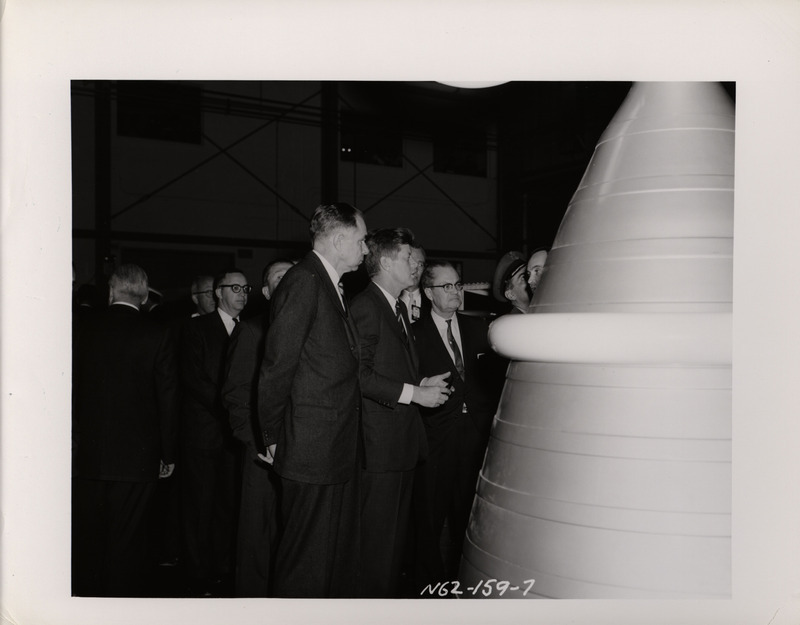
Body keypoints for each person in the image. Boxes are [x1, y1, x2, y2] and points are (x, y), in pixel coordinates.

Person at [257, 202, 367, 598]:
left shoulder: (328, 283)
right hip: (309, 449)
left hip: (330, 447)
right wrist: (272, 435)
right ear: (339, 240)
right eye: (361, 239)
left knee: (326, 561)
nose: (366, 249)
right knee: (304, 564)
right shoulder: (305, 282)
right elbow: (277, 366)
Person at [349, 228, 451, 597]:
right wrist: (414, 394)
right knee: (376, 549)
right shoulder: (365, 306)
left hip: (399, 446)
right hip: (379, 450)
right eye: (409, 258)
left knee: (391, 549)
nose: (415, 265)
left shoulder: (394, 307)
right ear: (388, 262)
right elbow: (357, 375)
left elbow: (386, 370)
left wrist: (420, 383)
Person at [72, 264, 179, 597]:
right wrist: (168, 453)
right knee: (127, 540)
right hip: (138, 459)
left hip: (87, 456)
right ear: (145, 296)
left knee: (87, 538)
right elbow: (168, 399)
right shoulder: (157, 334)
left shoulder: (82, 329)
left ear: (110, 292)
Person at [413, 261, 506, 580]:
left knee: (468, 516)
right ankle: (430, 584)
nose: (455, 292)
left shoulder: (478, 328)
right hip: (437, 438)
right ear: (428, 292)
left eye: (457, 285)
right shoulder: (413, 335)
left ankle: (465, 578)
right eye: (446, 286)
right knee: (430, 518)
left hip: (475, 436)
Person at [221, 258, 294, 597]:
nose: (288, 280)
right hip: (262, 454)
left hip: (301, 451)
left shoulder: (310, 329)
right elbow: (235, 396)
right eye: (280, 277)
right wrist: (259, 444)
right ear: (265, 291)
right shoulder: (251, 330)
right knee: (256, 538)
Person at [179, 268, 250, 596]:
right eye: (234, 287)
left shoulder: (249, 330)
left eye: (245, 288)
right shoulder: (196, 328)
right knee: (200, 507)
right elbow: (194, 380)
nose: (241, 293)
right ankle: (197, 574)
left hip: (235, 438)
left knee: (229, 506)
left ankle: (223, 568)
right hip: (205, 434)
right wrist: (230, 410)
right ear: (217, 293)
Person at [399, 242, 428, 323]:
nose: (415, 269)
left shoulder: (433, 301)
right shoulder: (390, 299)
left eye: (420, 264)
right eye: (410, 262)